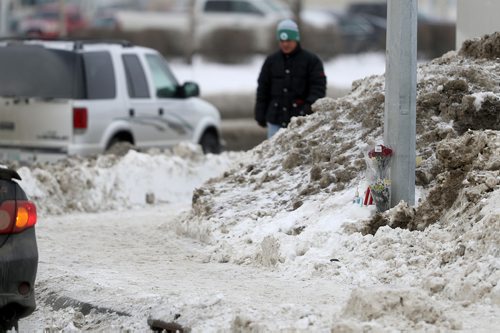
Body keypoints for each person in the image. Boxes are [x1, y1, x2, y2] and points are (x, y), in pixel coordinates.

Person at [254, 19, 327, 139]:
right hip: (275, 121)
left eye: (289, 40)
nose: (285, 44)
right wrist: (260, 113)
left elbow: (318, 88)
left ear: (296, 39)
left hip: (301, 122)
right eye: (282, 41)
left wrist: (307, 109)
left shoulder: (312, 61)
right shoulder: (271, 61)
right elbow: (263, 88)